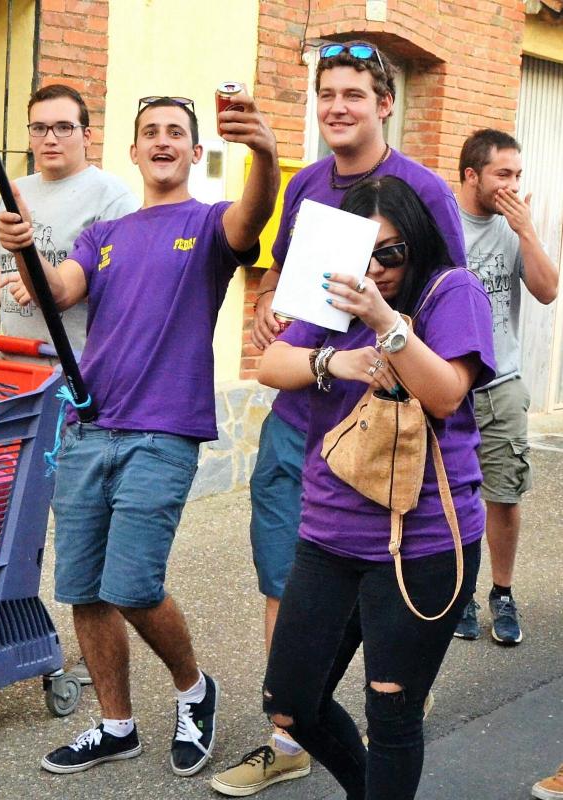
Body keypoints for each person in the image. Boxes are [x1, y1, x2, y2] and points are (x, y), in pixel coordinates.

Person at [0, 92, 279, 777]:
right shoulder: (103, 234)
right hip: (89, 428)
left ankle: (193, 688)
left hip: (163, 432)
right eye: (150, 132)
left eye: (175, 132)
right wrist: (24, 248)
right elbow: (58, 291)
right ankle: (116, 725)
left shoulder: (208, 224)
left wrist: (264, 153)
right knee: (84, 589)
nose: (161, 141)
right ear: (133, 150)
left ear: (194, 151)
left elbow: (253, 216)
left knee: (131, 584)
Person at [212, 40, 465, 796]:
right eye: (326, 94)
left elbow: (445, 308)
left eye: (354, 94)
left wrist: (386, 361)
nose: (337, 107)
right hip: (301, 422)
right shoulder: (307, 186)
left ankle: (363, 712)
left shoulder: (423, 193)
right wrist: (270, 308)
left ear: (385, 103)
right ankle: (287, 734)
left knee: (391, 693)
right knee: (284, 582)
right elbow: (286, 289)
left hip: (389, 450)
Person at [255, 175, 494, 800]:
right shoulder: (333, 295)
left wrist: (385, 321)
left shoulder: (451, 291)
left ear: (416, 241)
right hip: (329, 531)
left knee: (392, 713)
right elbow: (271, 364)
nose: (376, 269)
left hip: (423, 538)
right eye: (363, 254)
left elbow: (446, 393)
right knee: (289, 703)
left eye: (390, 252)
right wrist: (334, 360)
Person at [0, 84, 138, 687]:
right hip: (13, 380)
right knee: (0, 507)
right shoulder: (18, 193)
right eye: (40, 128)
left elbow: (112, 285)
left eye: (63, 127)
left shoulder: (111, 196)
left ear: (86, 133)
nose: (50, 138)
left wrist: (41, 282)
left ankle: (96, 646)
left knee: (78, 517)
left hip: (79, 381)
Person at [454, 129, 558, 645]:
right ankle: (460, 595)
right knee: (450, 498)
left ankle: (502, 592)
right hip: (447, 385)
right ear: (472, 175)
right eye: (503, 174)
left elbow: (547, 290)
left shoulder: (513, 228)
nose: (513, 186)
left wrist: (527, 232)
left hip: (503, 384)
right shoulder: (442, 225)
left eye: (518, 175)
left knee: (504, 494)